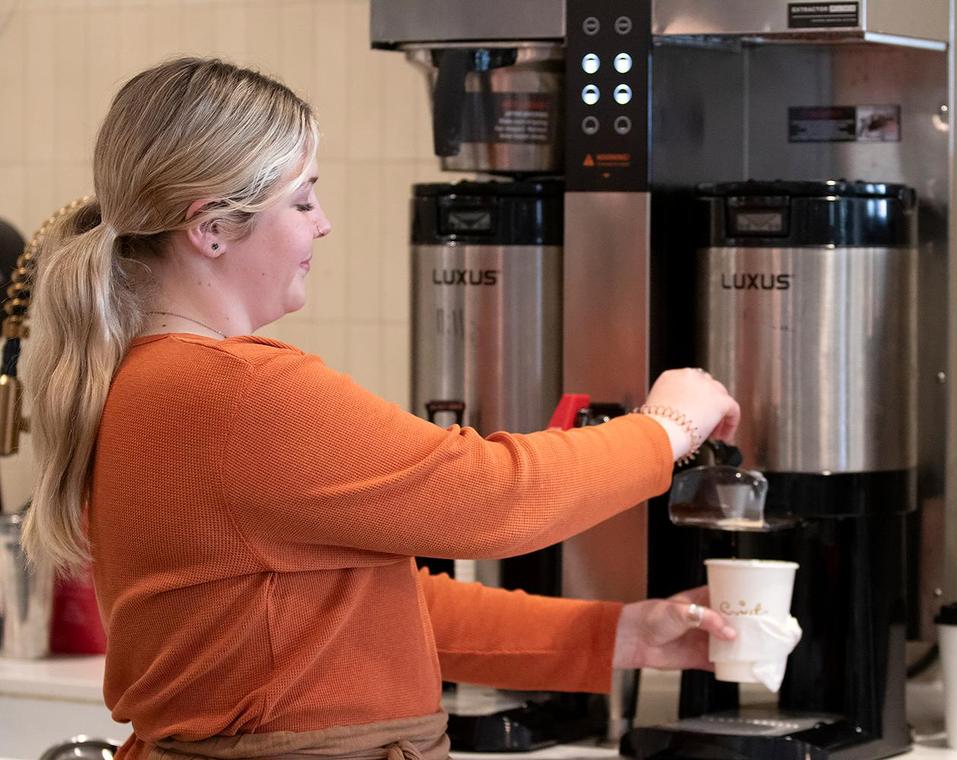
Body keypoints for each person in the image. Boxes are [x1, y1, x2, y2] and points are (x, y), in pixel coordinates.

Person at [20, 58, 741, 760]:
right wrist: (666, 428)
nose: (323, 225)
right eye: (303, 201)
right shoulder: (237, 391)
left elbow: (366, 607)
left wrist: (622, 635)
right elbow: (493, 496)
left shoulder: (147, 380)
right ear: (210, 228)